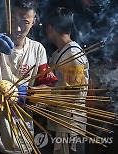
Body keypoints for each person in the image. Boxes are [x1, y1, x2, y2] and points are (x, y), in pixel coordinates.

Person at [0, 0, 57, 153]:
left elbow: (47, 90)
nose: (18, 28)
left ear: (34, 20)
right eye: (13, 20)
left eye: (25, 22)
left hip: (20, 138)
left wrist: (25, 94)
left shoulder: (37, 49)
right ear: (6, 16)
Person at [45, 7, 89, 154]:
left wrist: (46, 93)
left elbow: (74, 93)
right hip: (59, 121)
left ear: (50, 28)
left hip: (70, 127)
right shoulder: (59, 53)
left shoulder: (72, 54)